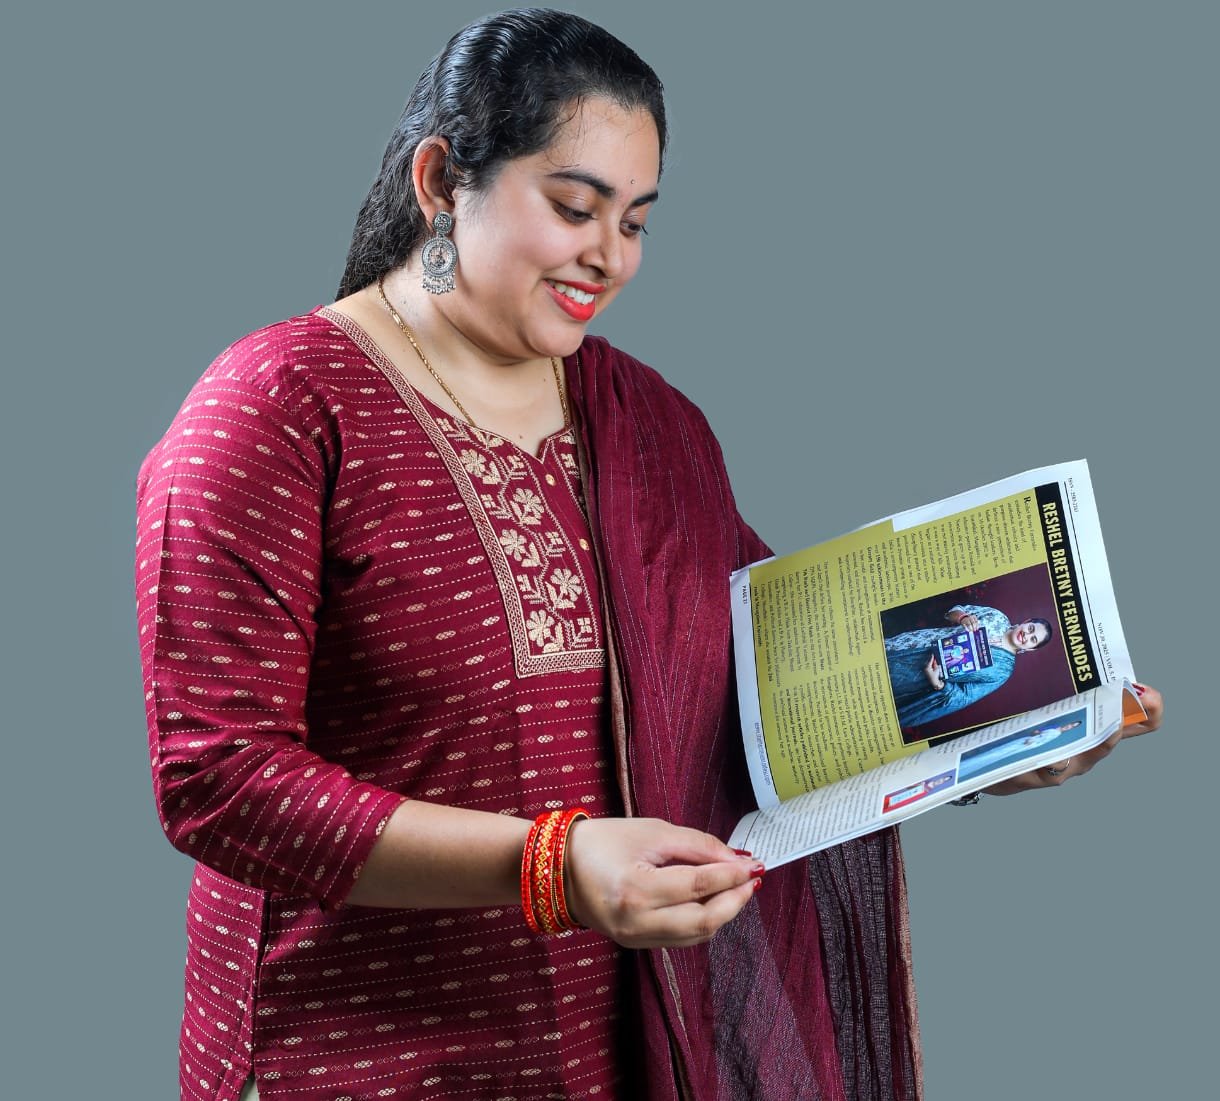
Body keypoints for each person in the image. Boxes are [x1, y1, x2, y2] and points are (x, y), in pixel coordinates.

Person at [135, 10, 1162, 1100]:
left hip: (618, 1053)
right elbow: (217, 778)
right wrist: (553, 863)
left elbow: (768, 690)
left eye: (634, 221)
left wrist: (983, 740)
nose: (610, 257)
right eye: (574, 208)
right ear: (440, 182)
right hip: (353, 1057)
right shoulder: (279, 409)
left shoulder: (647, 422)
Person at [884, 602, 1053, 728]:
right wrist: (962, 617)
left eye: (1033, 639)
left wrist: (937, 683)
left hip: (914, 678)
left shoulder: (1003, 671)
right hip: (910, 643)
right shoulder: (998, 617)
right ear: (1026, 621)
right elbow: (951, 612)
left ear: (1031, 649)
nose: (1026, 635)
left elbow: (964, 696)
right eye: (1031, 628)